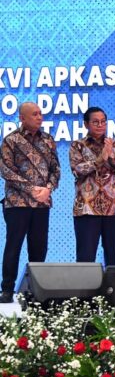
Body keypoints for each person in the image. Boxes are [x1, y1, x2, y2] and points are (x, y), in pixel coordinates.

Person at [0, 102, 60, 303]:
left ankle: (35, 289)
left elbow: (56, 170)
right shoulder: (11, 140)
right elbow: (6, 171)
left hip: (42, 203)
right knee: (13, 245)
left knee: (39, 247)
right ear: (22, 118)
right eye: (34, 114)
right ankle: (7, 289)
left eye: (40, 113)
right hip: (17, 203)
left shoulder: (48, 140)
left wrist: (48, 189)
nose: (39, 117)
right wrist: (32, 189)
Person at [69, 107, 115, 267]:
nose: (100, 125)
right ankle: (83, 292)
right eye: (95, 122)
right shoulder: (78, 146)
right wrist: (99, 160)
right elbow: (77, 170)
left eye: (103, 122)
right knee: (85, 255)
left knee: (113, 254)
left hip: (113, 208)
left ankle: (113, 291)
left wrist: (110, 157)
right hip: (87, 208)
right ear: (86, 124)